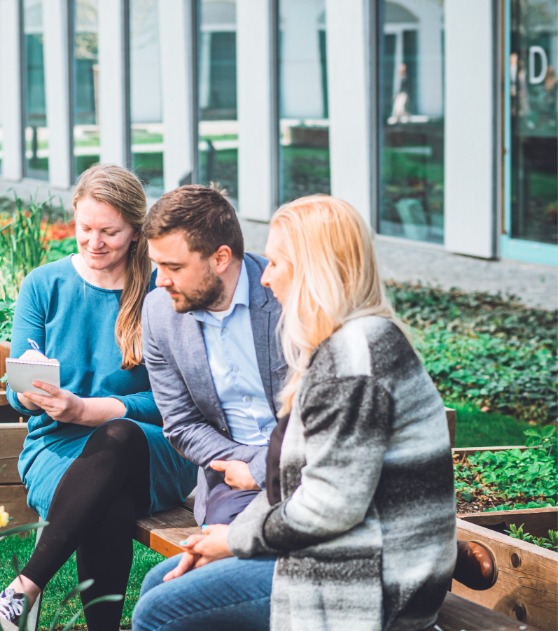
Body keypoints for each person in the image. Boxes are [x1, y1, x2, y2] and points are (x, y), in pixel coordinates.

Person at [133, 195, 456, 631]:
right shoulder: (341, 345)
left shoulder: (354, 356)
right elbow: (297, 484)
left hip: (375, 575)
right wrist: (229, 539)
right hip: (341, 548)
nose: (264, 276)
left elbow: (329, 505)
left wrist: (236, 539)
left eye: (276, 263)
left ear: (313, 270)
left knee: (157, 612)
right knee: (157, 583)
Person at [0, 165, 197, 630]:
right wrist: (32, 393)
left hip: (153, 448)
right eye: (85, 228)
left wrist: (86, 410)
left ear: (135, 232)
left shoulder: (160, 291)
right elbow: (15, 390)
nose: (94, 242)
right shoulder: (44, 285)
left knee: (118, 435)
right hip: (58, 448)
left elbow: (176, 402)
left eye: (109, 232)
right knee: (109, 501)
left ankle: (25, 586)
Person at [141, 185, 287, 526]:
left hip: (311, 463)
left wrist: (270, 468)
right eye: (156, 265)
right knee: (223, 542)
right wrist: (253, 466)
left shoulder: (286, 295)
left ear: (220, 259)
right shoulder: (159, 312)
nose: (160, 281)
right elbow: (182, 424)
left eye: (173, 267)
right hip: (231, 475)